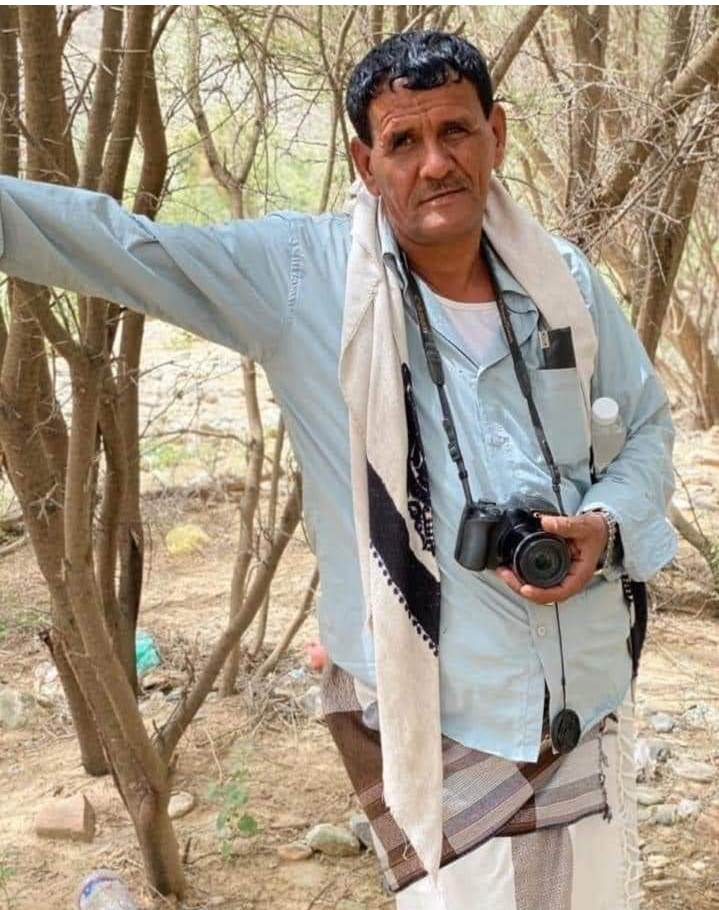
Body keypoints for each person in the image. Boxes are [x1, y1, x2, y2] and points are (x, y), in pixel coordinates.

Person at [0, 30, 674, 910]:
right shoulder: (304, 278)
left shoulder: (566, 283)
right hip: (439, 718)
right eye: (402, 140)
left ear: (496, 135)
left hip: (583, 698)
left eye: (455, 131)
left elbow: (646, 430)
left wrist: (606, 525)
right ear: (364, 162)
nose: (434, 163)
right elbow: (122, 246)